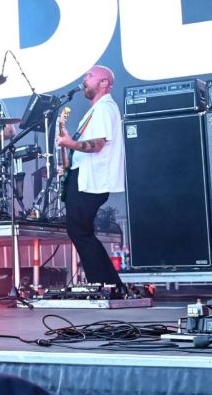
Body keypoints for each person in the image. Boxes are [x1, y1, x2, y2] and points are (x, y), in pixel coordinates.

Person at [55, 65, 125, 287]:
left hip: (91, 181)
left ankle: (103, 284)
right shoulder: (95, 110)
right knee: (80, 231)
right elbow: (85, 149)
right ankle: (110, 284)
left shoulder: (105, 108)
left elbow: (97, 145)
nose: (85, 79)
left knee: (79, 231)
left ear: (104, 83)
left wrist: (70, 143)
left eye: (90, 76)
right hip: (84, 177)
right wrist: (68, 166)